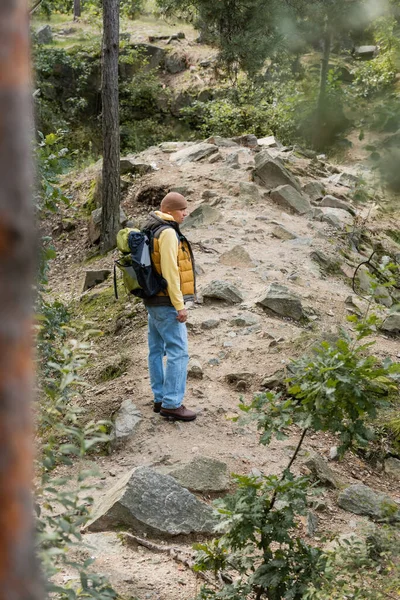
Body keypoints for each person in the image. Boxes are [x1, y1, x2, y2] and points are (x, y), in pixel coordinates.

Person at [142, 192, 197, 422]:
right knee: (178, 351)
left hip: (153, 300)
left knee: (156, 349)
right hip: (166, 301)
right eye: (182, 209)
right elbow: (170, 271)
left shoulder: (153, 227)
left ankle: (160, 398)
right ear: (171, 210)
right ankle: (172, 403)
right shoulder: (167, 233)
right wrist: (179, 305)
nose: (185, 213)